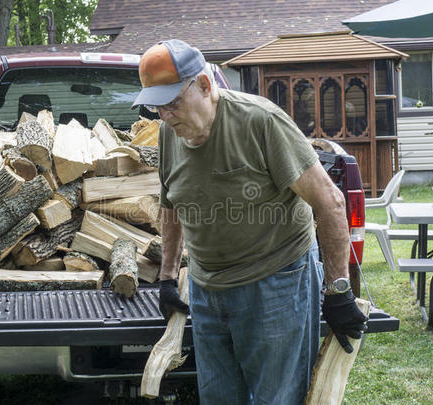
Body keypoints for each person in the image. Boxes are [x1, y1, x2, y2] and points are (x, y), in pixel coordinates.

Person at [132, 39, 368, 405]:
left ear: (206, 86)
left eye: (173, 103)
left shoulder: (261, 122)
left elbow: (331, 202)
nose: (164, 115)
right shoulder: (169, 133)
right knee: (220, 398)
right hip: (208, 290)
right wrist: (166, 277)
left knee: (278, 398)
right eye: (156, 106)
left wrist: (338, 291)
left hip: (276, 283)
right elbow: (172, 204)